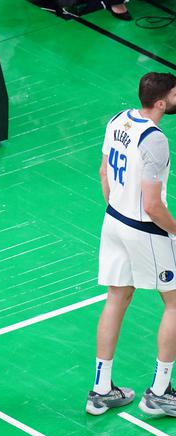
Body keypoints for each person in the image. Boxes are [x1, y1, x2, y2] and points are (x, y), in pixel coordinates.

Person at [87, 72, 176, 416]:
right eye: (173, 93)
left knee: (116, 298)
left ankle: (100, 390)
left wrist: (117, 207)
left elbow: (103, 173)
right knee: (173, 304)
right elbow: (153, 206)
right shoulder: (155, 140)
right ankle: (159, 392)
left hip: (113, 221)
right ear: (160, 103)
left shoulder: (118, 120)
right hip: (145, 230)